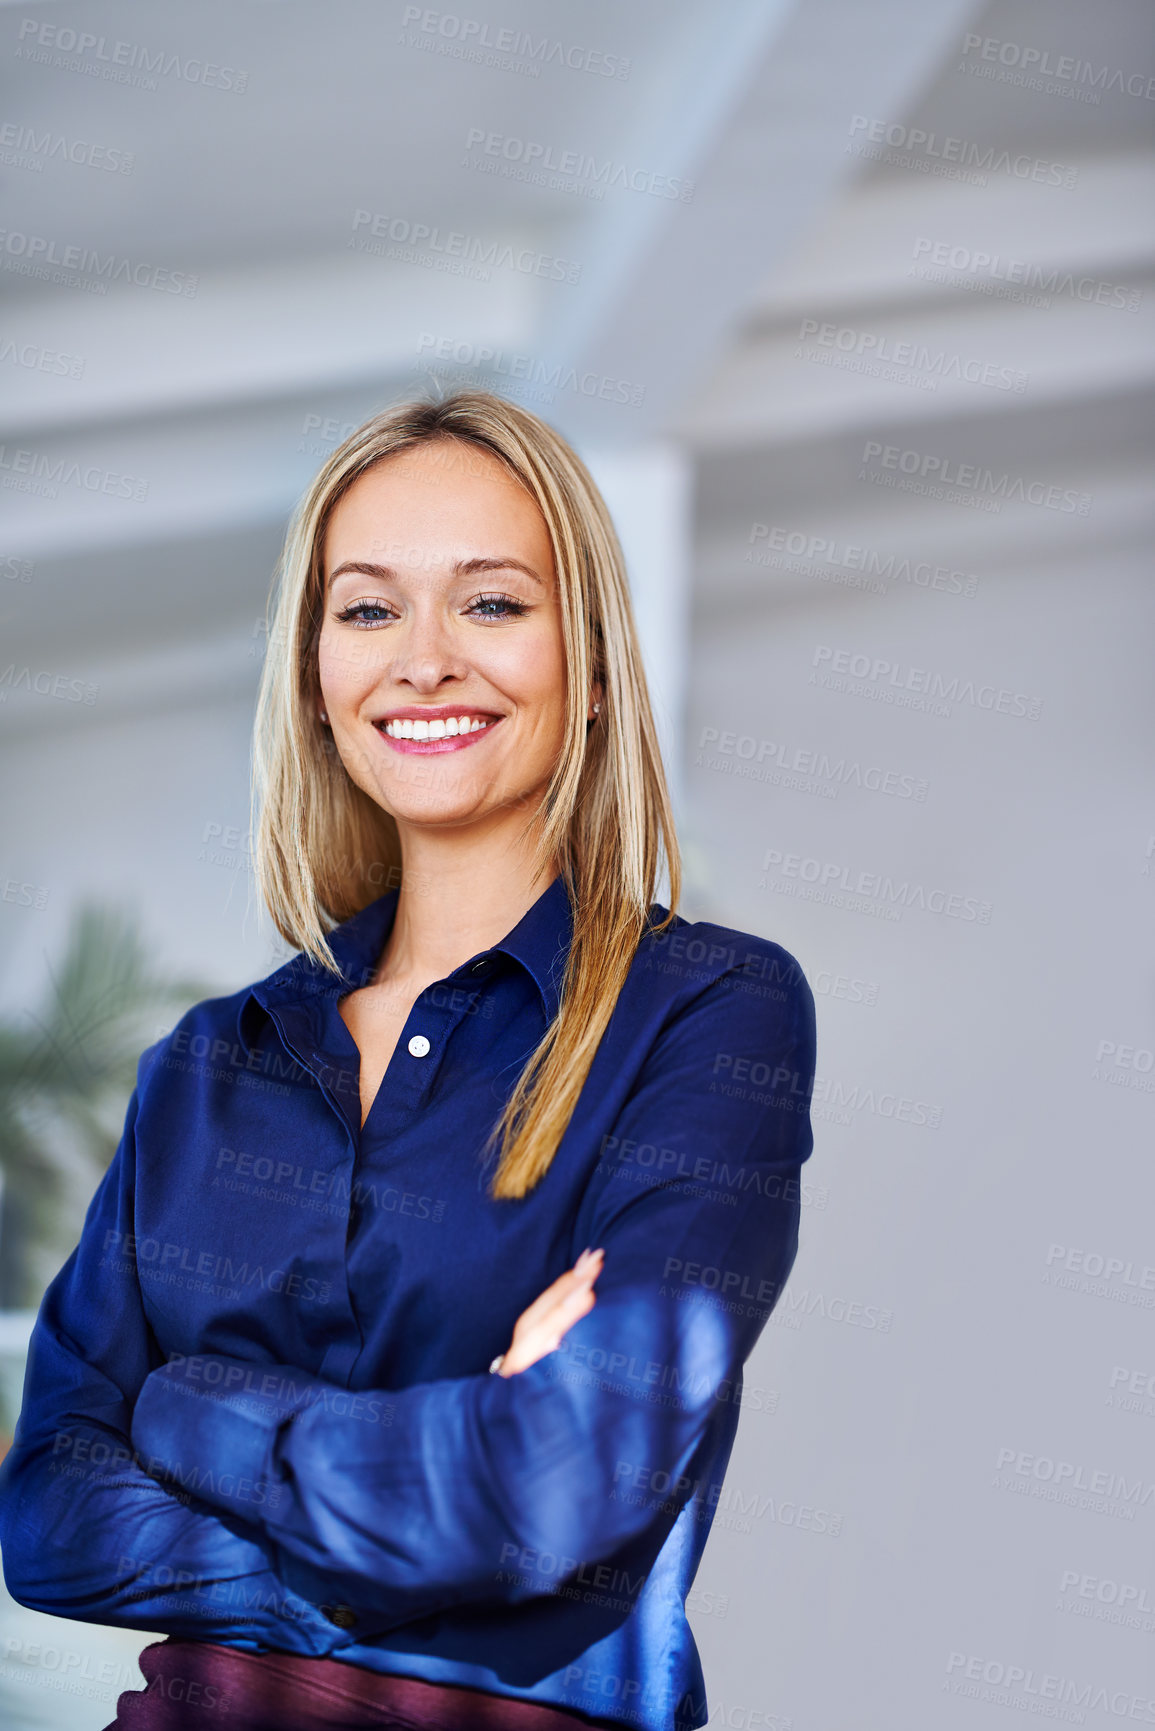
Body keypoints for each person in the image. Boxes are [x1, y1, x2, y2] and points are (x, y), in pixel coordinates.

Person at [0, 391, 817, 1731]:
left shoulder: (710, 1016)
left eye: (491, 604)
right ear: (317, 678)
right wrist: (448, 1552)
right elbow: (46, 1522)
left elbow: (557, 1486)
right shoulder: (208, 1068)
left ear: (596, 663)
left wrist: (195, 1404)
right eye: (369, 610)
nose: (424, 660)